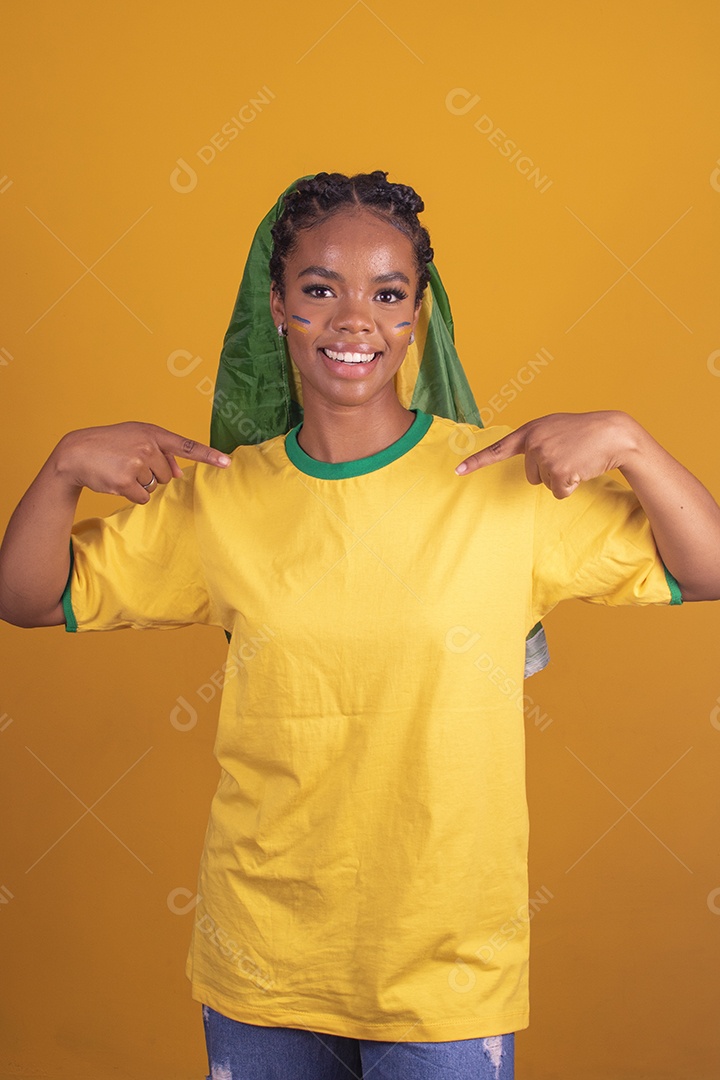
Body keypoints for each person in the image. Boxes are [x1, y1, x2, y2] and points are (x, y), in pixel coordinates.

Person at [1, 170, 719, 1080]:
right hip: (262, 961)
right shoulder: (220, 496)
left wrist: (631, 441)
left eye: (387, 294)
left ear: (418, 314)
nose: (354, 322)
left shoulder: (505, 486)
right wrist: (63, 467)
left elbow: (707, 570)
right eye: (319, 289)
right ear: (277, 306)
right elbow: (28, 597)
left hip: (446, 973)